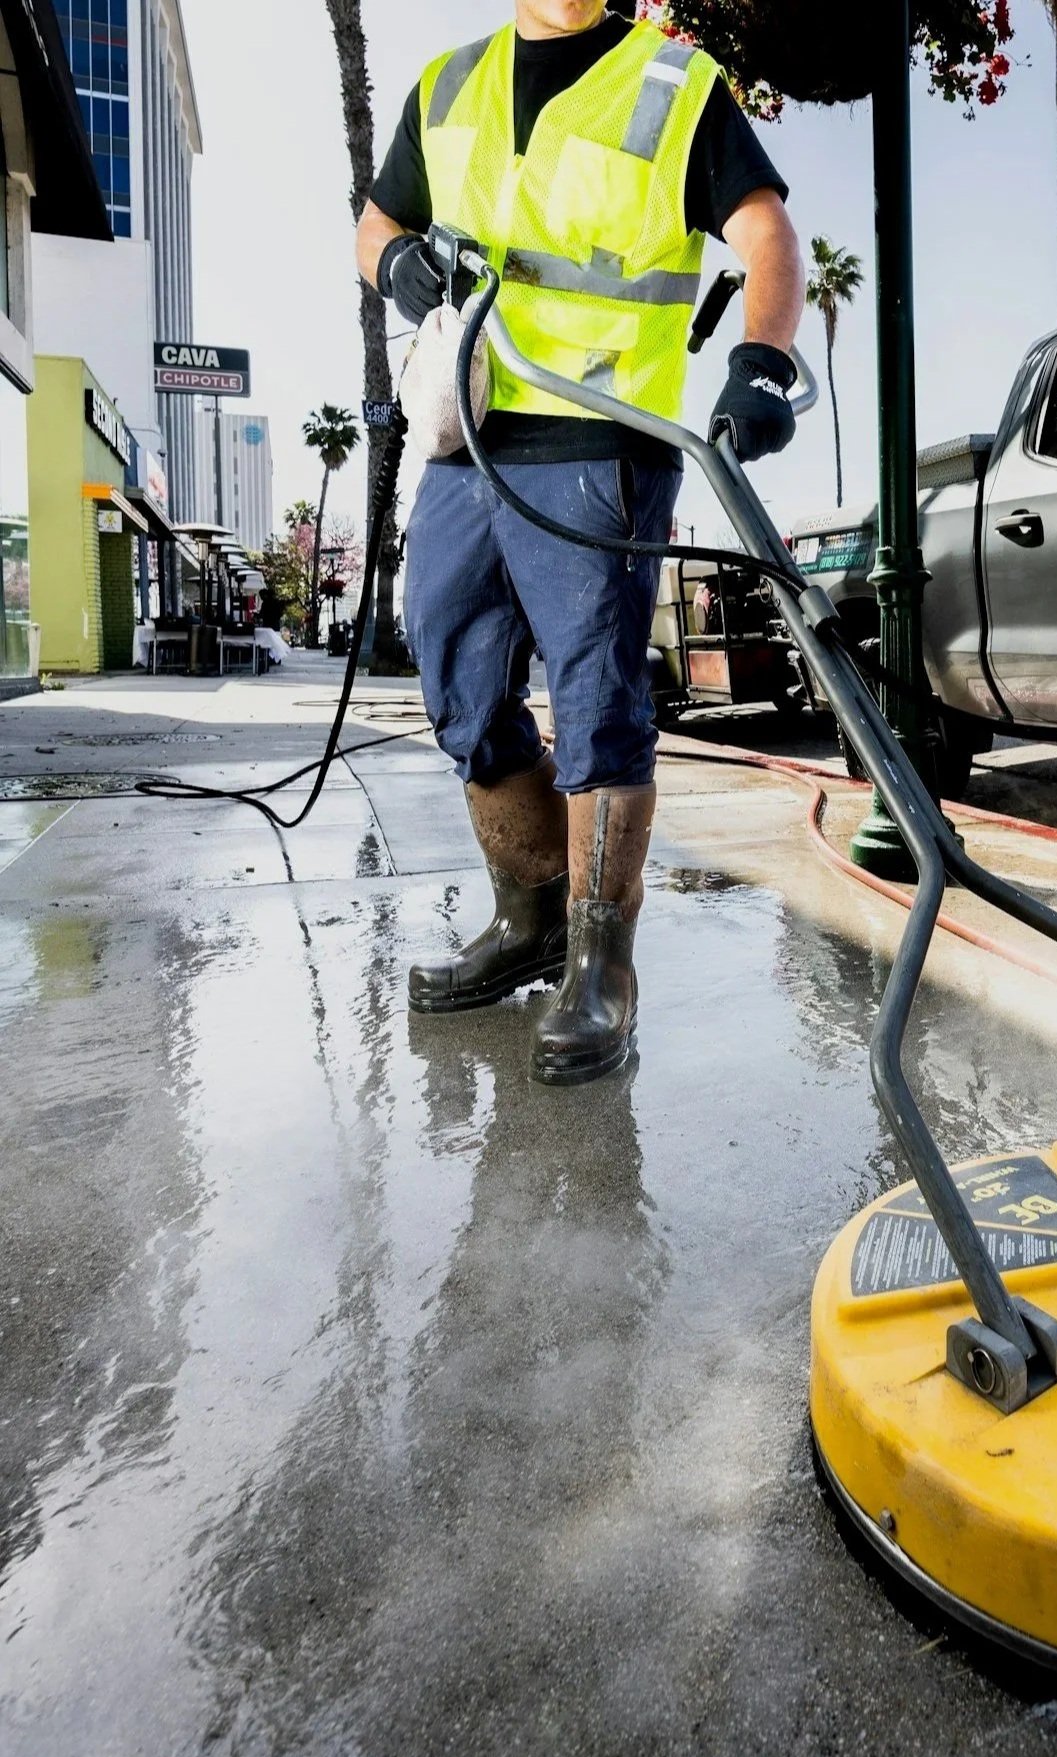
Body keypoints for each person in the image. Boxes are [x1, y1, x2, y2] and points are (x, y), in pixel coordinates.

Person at [356, 0, 803, 1084]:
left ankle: (603, 963)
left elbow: (762, 229)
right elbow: (375, 224)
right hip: (467, 437)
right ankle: (530, 921)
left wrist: (762, 360)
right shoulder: (448, 85)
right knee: (459, 685)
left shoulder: (671, 86)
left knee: (599, 699)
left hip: (601, 437)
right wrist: (397, 265)